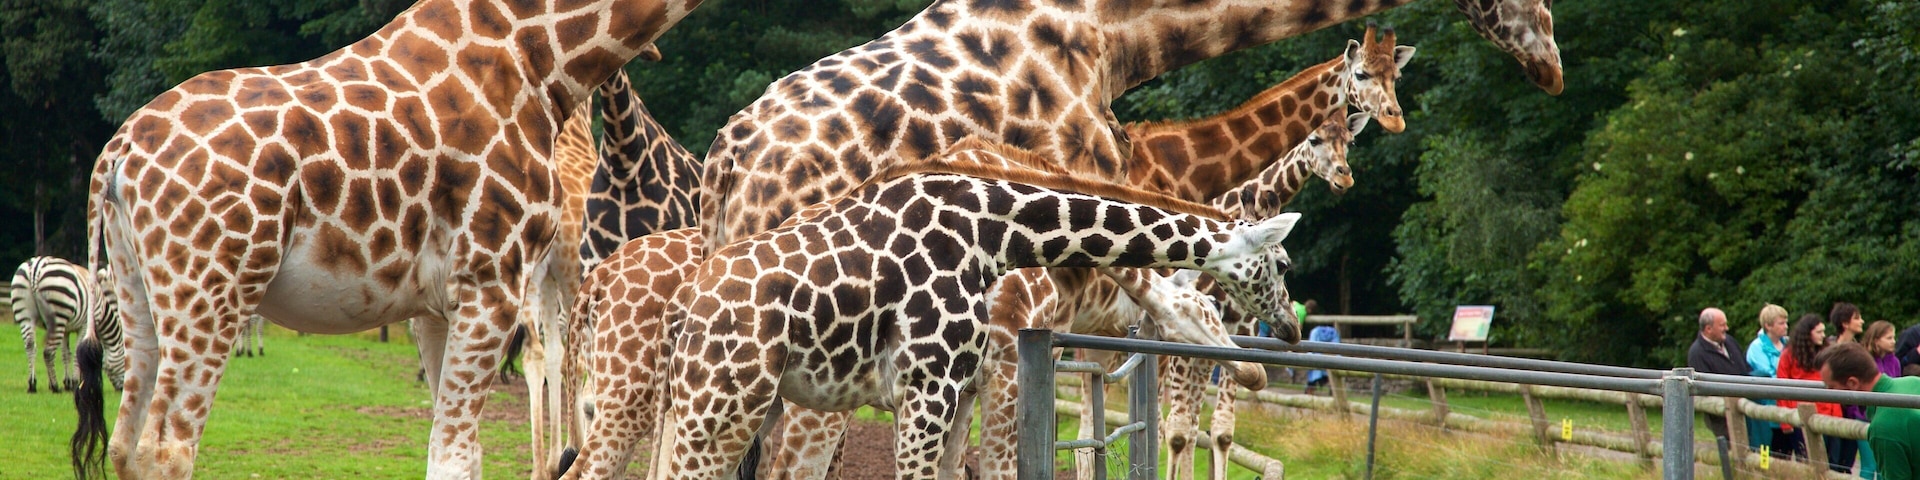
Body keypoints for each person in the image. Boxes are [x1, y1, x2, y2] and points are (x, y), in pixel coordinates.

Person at [1815, 341, 1920, 480]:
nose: (1830, 394)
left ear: (1852, 383)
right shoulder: (1911, 382)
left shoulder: (1883, 428)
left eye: (1832, 388)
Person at [1687, 307, 1749, 441]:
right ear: (1708, 329)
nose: (1726, 328)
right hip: (1722, 417)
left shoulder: (1730, 342)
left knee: (1758, 449)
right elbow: (1705, 389)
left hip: (1746, 407)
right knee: (1735, 452)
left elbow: (1744, 368)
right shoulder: (1697, 353)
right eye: (1722, 325)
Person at [1776, 314, 1831, 461]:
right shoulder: (1788, 355)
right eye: (1819, 332)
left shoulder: (1827, 353)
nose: (1823, 335)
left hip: (1826, 414)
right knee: (1806, 460)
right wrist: (1786, 422)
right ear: (1808, 334)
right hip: (1799, 416)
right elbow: (1782, 388)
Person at [1747, 304, 1791, 453]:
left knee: (1786, 455)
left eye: (1786, 322)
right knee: (1767, 454)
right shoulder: (1757, 348)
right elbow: (1768, 374)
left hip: (1788, 409)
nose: (1786, 326)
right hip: (1767, 412)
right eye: (1781, 323)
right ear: (1768, 325)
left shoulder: (1789, 345)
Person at [1833, 303, 1868, 472]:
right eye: (1857, 318)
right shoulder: (1831, 350)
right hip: (1835, 413)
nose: (1861, 321)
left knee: (1847, 463)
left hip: (1854, 412)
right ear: (1845, 323)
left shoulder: (1859, 350)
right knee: (1834, 462)